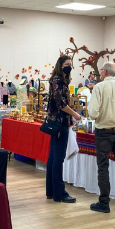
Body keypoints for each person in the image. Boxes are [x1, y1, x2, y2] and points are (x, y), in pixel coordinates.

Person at [87, 62, 115, 213]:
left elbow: (93, 113)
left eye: (101, 71)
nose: (100, 73)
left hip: (103, 132)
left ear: (105, 72)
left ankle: (104, 203)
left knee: (103, 167)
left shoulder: (98, 88)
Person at [45, 55, 82, 204]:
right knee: (57, 159)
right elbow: (61, 104)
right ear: (60, 65)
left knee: (53, 157)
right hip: (60, 124)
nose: (69, 66)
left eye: (70, 64)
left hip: (59, 122)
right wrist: (75, 115)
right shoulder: (58, 81)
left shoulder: (59, 81)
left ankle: (51, 191)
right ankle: (59, 193)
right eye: (66, 64)